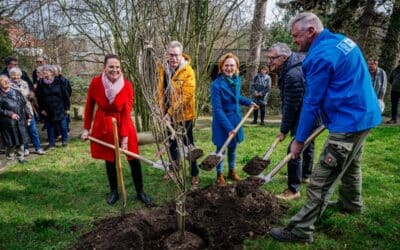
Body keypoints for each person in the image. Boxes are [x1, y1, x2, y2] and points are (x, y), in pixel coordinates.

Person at [270, 12, 381, 244]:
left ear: (311, 31)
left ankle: (301, 231)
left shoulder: (320, 56)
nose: (294, 41)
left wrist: (299, 139)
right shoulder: (341, 40)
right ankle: (351, 204)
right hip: (364, 115)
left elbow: (311, 102)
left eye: (296, 36)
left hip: (348, 121)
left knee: (322, 179)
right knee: (352, 164)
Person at [81, 54, 151, 206]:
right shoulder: (95, 83)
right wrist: (86, 128)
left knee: (133, 158)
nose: (115, 70)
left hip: (124, 124)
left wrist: (125, 138)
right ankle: (114, 192)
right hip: (105, 124)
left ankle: (140, 191)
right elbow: (89, 107)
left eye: (117, 67)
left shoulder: (127, 85)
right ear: (104, 67)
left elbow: (126, 112)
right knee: (110, 159)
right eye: (111, 66)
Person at [267, 42, 321, 201]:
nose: (269, 62)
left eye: (272, 58)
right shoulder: (296, 60)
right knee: (308, 144)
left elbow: (291, 105)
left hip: (307, 113)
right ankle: (305, 176)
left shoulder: (293, 75)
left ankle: (293, 189)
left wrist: (283, 130)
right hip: (313, 112)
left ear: (283, 57)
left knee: (294, 148)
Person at [157, 41, 200, 189]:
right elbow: (160, 91)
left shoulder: (188, 71)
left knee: (189, 145)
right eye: (171, 55)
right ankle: (174, 170)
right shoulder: (163, 69)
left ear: (181, 55)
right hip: (168, 115)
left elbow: (186, 96)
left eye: (176, 55)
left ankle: (194, 173)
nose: (173, 58)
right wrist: (161, 110)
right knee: (172, 144)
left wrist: (170, 112)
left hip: (184, 115)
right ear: (167, 55)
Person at [211, 52, 258, 186]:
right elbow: (217, 109)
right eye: (226, 65)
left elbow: (237, 98)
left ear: (236, 66)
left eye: (232, 65)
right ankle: (219, 174)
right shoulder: (216, 85)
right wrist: (229, 128)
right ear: (221, 67)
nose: (229, 68)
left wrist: (249, 102)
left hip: (236, 119)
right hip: (222, 122)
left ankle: (231, 171)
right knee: (221, 148)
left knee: (233, 148)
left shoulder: (236, 80)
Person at [9, 67, 46, 155]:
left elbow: (27, 94)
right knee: (22, 131)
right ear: (10, 75)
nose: (16, 77)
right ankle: (25, 148)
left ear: (20, 75)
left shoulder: (24, 83)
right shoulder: (8, 84)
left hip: (28, 110)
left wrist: (30, 95)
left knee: (33, 130)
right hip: (16, 111)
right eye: (14, 75)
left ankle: (38, 148)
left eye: (18, 75)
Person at [35, 65, 70, 149]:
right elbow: (39, 97)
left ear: (51, 72)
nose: (44, 72)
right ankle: (51, 143)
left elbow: (66, 95)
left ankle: (64, 141)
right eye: (43, 71)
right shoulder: (41, 83)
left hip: (60, 108)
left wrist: (67, 108)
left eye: (46, 71)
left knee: (63, 126)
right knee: (50, 127)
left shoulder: (59, 81)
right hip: (47, 109)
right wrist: (42, 109)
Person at [0, 75, 30, 163]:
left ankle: (21, 157)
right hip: (7, 122)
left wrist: (28, 115)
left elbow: (24, 104)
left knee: (21, 139)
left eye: (7, 80)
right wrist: (9, 113)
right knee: (10, 141)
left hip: (20, 120)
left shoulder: (17, 92)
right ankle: (9, 159)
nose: (6, 82)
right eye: (3, 80)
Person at [386, 60, 400, 124]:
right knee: (394, 105)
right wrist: (394, 84)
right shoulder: (395, 70)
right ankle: (394, 119)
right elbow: (390, 78)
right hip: (394, 90)